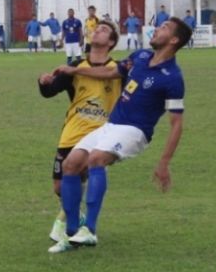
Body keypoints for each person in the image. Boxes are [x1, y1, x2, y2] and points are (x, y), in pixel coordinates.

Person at [48, 17, 192, 254]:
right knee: (71, 165)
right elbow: (109, 71)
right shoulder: (141, 57)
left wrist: (164, 162)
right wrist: (74, 69)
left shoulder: (173, 77)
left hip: (136, 131)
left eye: (164, 28)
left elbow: (176, 124)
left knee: (96, 159)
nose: (156, 29)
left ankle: (90, 230)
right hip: (112, 125)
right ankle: (71, 233)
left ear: (174, 40)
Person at [38, 21, 121, 242]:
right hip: (71, 132)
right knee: (59, 186)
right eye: (96, 29)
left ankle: (73, 226)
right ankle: (74, 215)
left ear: (111, 42)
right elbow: (50, 91)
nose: (98, 31)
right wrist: (44, 82)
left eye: (104, 30)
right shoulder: (74, 66)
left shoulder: (118, 69)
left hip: (100, 134)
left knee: (77, 170)